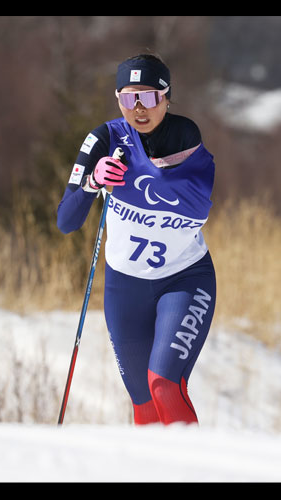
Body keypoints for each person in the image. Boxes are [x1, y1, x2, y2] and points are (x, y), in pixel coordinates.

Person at [57, 54, 216, 426]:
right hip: (124, 287)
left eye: (149, 98)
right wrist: (92, 182)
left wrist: (131, 181)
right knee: (143, 406)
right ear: (117, 100)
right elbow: (67, 221)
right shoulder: (103, 139)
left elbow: (196, 208)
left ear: (167, 97)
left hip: (183, 280)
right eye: (130, 99)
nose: (140, 109)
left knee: (163, 384)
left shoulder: (184, 136)